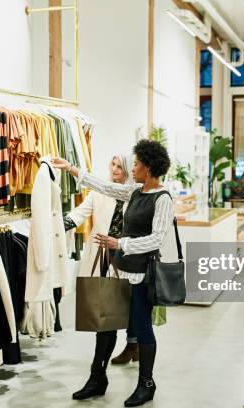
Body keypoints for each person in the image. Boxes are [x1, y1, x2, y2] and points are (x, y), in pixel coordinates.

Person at [52, 139, 174, 407]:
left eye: (137, 163)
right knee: (105, 325)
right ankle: (97, 379)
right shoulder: (135, 191)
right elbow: (106, 187)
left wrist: (121, 243)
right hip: (119, 270)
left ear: (150, 167)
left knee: (142, 330)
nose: (133, 167)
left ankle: (146, 384)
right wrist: (72, 168)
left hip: (141, 274)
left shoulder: (163, 198)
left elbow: (158, 238)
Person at [61, 154, 139, 402]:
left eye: (120, 166)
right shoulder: (99, 193)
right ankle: (98, 375)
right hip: (102, 261)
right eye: (112, 164)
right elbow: (79, 214)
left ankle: (102, 375)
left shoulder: (134, 195)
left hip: (126, 262)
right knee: (105, 321)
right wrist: (52, 225)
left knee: (112, 321)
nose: (114, 169)